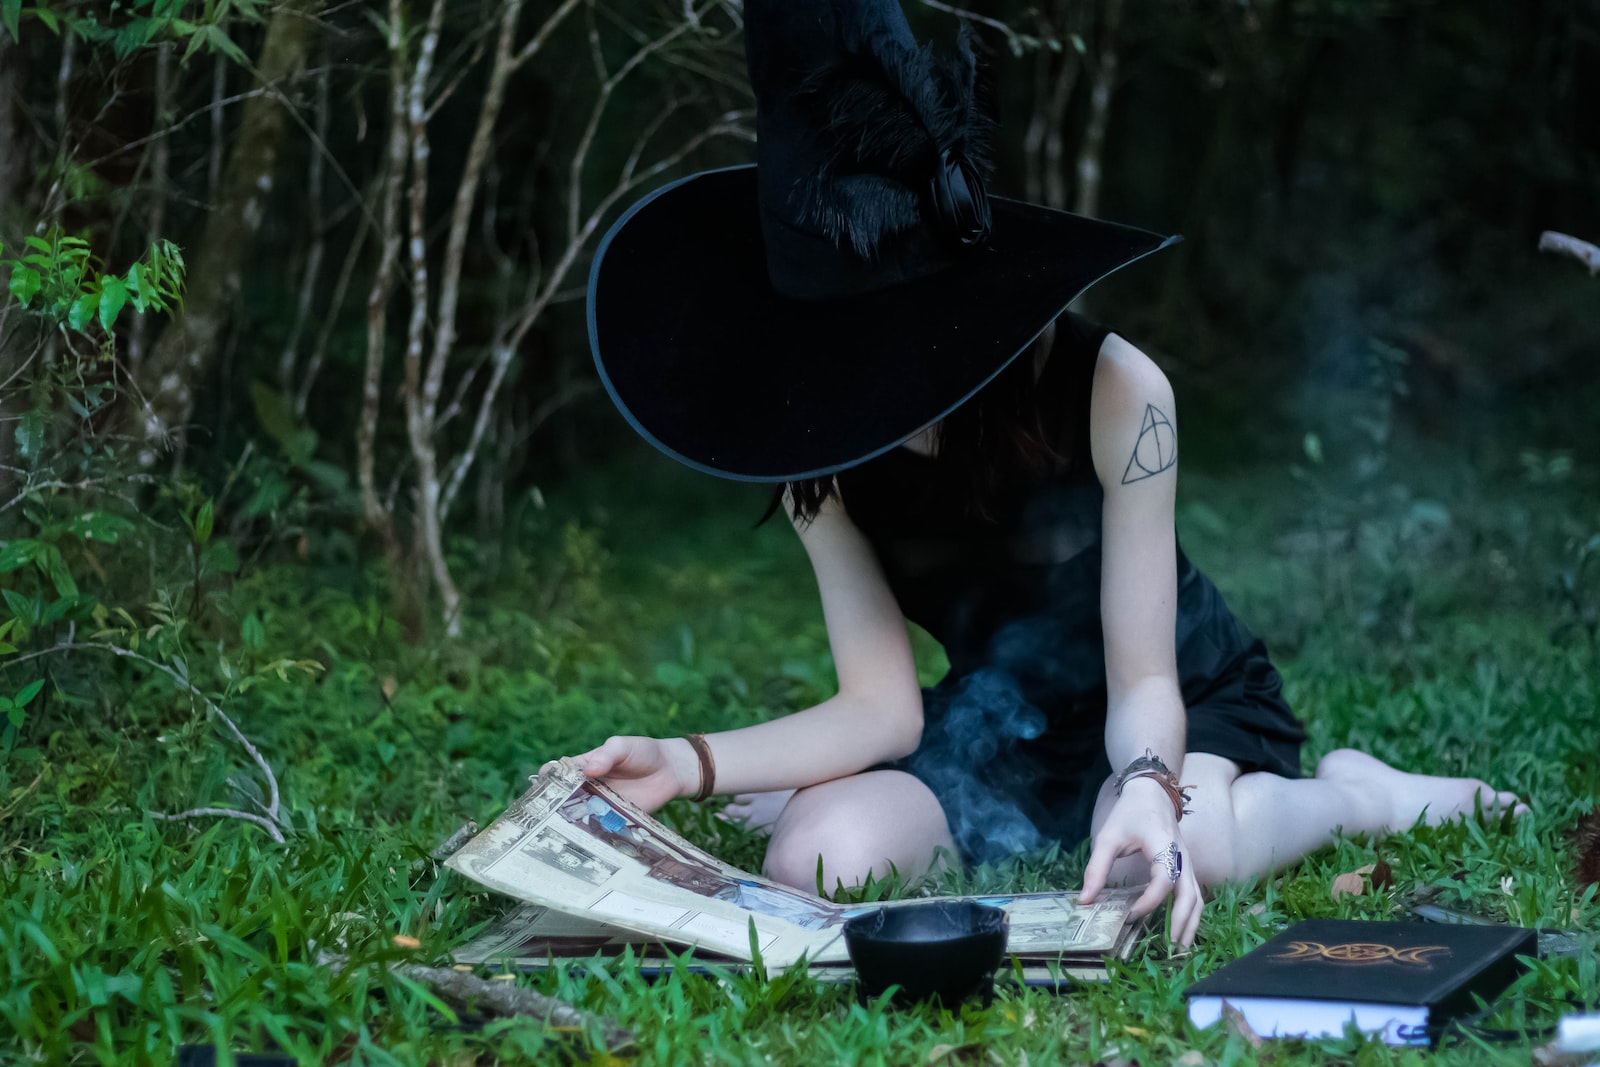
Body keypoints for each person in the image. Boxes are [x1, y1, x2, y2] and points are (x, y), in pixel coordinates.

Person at [571, 0, 1524, 947]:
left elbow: (1146, 678)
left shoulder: (1117, 389)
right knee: (820, 856)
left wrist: (1150, 786)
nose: (880, 386)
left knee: (1188, 850)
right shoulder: (814, 452)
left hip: (1172, 701)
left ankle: (1357, 795)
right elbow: (881, 705)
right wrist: (686, 761)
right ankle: (941, 821)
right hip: (1001, 725)